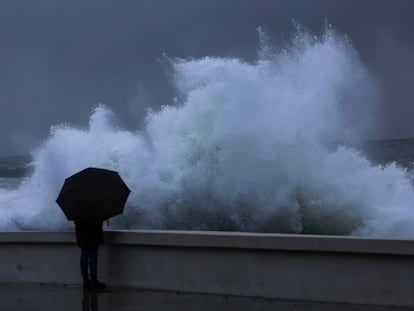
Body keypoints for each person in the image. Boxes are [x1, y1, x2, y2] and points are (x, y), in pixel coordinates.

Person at [75, 217, 107, 289]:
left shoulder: (78, 208)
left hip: (80, 228)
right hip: (93, 229)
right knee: (93, 254)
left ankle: (86, 281)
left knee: (84, 253)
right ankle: (93, 281)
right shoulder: (94, 207)